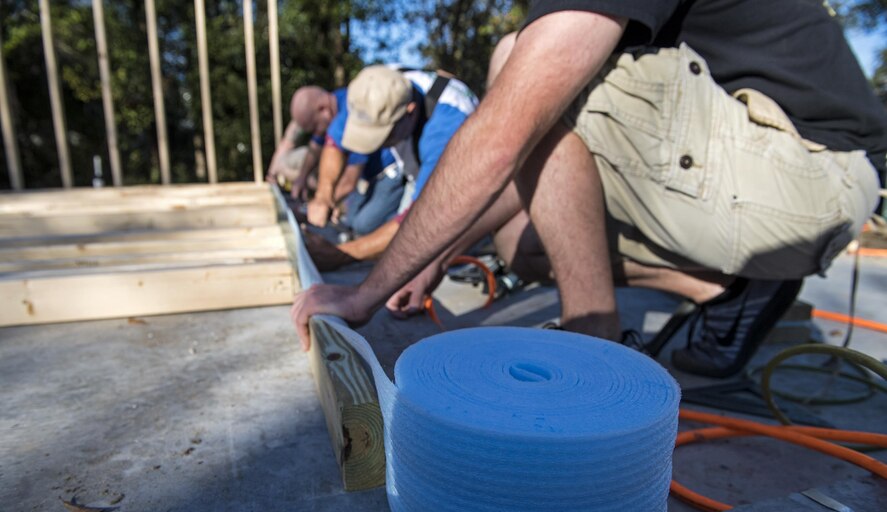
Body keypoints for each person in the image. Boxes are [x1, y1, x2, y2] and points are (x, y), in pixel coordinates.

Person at [293, 2, 887, 379]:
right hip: (773, 188)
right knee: (522, 243)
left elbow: (508, 134)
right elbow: (525, 163)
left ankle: (595, 353)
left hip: (813, 176)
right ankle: (730, 285)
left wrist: (365, 293)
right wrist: (437, 257)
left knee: (520, 66)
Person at [300, 65, 480, 269]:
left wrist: (342, 254)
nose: (377, 145)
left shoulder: (446, 125)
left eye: (384, 136)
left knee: (432, 252)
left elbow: (420, 217)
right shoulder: (374, 90)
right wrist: (324, 195)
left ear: (409, 112)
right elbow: (334, 143)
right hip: (420, 170)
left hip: (458, 187)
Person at [266, 86, 404, 237]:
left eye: (315, 127)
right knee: (350, 221)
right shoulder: (333, 107)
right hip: (369, 177)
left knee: (362, 225)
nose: (316, 133)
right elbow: (315, 147)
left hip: (390, 172)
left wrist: (318, 205)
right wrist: (301, 179)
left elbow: (350, 181)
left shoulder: (352, 115)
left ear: (323, 109)